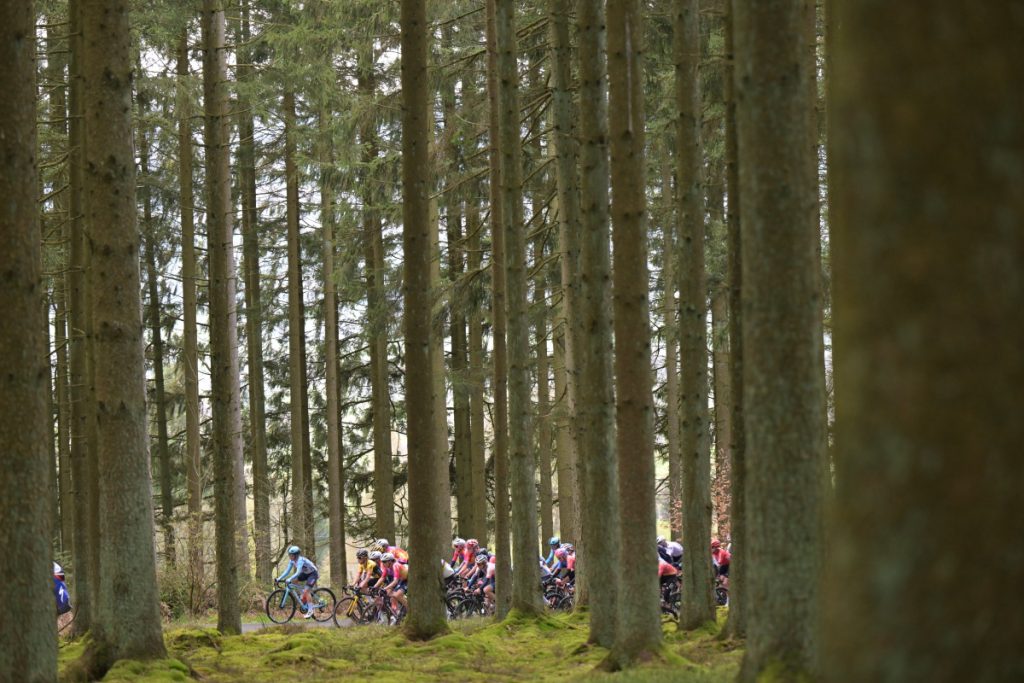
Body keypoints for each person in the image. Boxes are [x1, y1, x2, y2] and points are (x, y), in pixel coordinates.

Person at [276, 545, 319, 618]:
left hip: (313, 573)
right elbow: (287, 571)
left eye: (292, 555)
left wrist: (289, 579)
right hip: (305, 573)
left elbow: (298, 572)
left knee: (306, 591)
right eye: (289, 555)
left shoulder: (300, 561)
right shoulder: (292, 561)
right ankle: (303, 596)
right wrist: (279, 578)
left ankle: (310, 610)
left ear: (296, 555)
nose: (290, 556)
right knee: (293, 582)